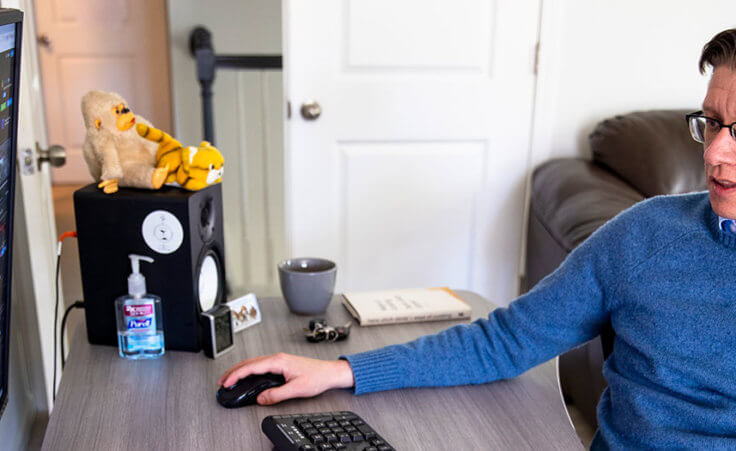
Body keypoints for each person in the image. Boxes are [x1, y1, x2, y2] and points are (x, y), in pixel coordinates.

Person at [219, 29, 736, 449]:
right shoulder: (645, 236)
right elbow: (507, 340)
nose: (714, 153)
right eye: (711, 124)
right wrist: (338, 371)